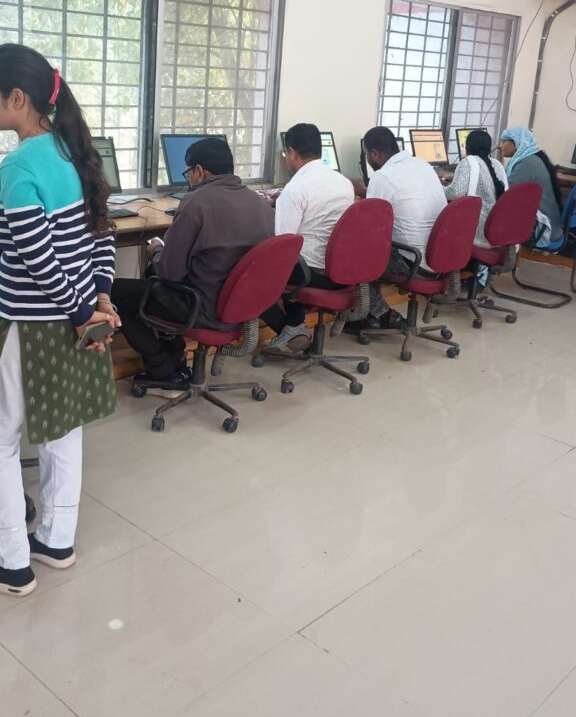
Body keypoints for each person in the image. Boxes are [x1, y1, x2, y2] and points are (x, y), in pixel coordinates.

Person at [0, 43, 120, 598]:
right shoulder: (77, 153)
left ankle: (12, 562)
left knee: (2, 441)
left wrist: (79, 311)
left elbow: (36, 257)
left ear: (16, 99)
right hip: (75, 324)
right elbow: (103, 234)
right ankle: (56, 541)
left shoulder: (19, 167)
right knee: (63, 432)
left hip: (29, 328)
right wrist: (98, 302)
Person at [112, 137, 274, 383]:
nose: (189, 179)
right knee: (151, 283)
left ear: (199, 170)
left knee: (114, 292)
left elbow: (169, 272)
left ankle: (163, 369)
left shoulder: (196, 202)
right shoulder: (260, 203)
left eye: (188, 173)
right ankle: (174, 355)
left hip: (200, 308)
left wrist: (156, 250)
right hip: (241, 307)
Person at [261, 123, 354, 350]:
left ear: (292, 152)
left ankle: (291, 327)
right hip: (342, 271)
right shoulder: (344, 183)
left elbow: (283, 247)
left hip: (312, 274)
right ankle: (293, 326)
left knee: (254, 268)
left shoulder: (295, 190)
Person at [353, 126, 447, 329]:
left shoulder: (382, 176)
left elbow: (370, 226)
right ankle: (375, 313)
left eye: (367, 155)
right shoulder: (422, 165)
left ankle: (379, 313)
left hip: (413, 263)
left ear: (374, 153)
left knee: (351, 252)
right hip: (440, 258)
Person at [500, 126, 562, 246]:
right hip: (548, 223)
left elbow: (505, 192)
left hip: (543, 230)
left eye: (503, 142)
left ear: (515, 143)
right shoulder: (533, 158)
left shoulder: (527, 163)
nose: (500, 146)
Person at [445, 129, 508, 246]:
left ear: (467, 147)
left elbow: (456, 193)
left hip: (478, 230)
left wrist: (440, 189)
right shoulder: (496, 164)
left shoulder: (469, 162)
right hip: (496, 229)